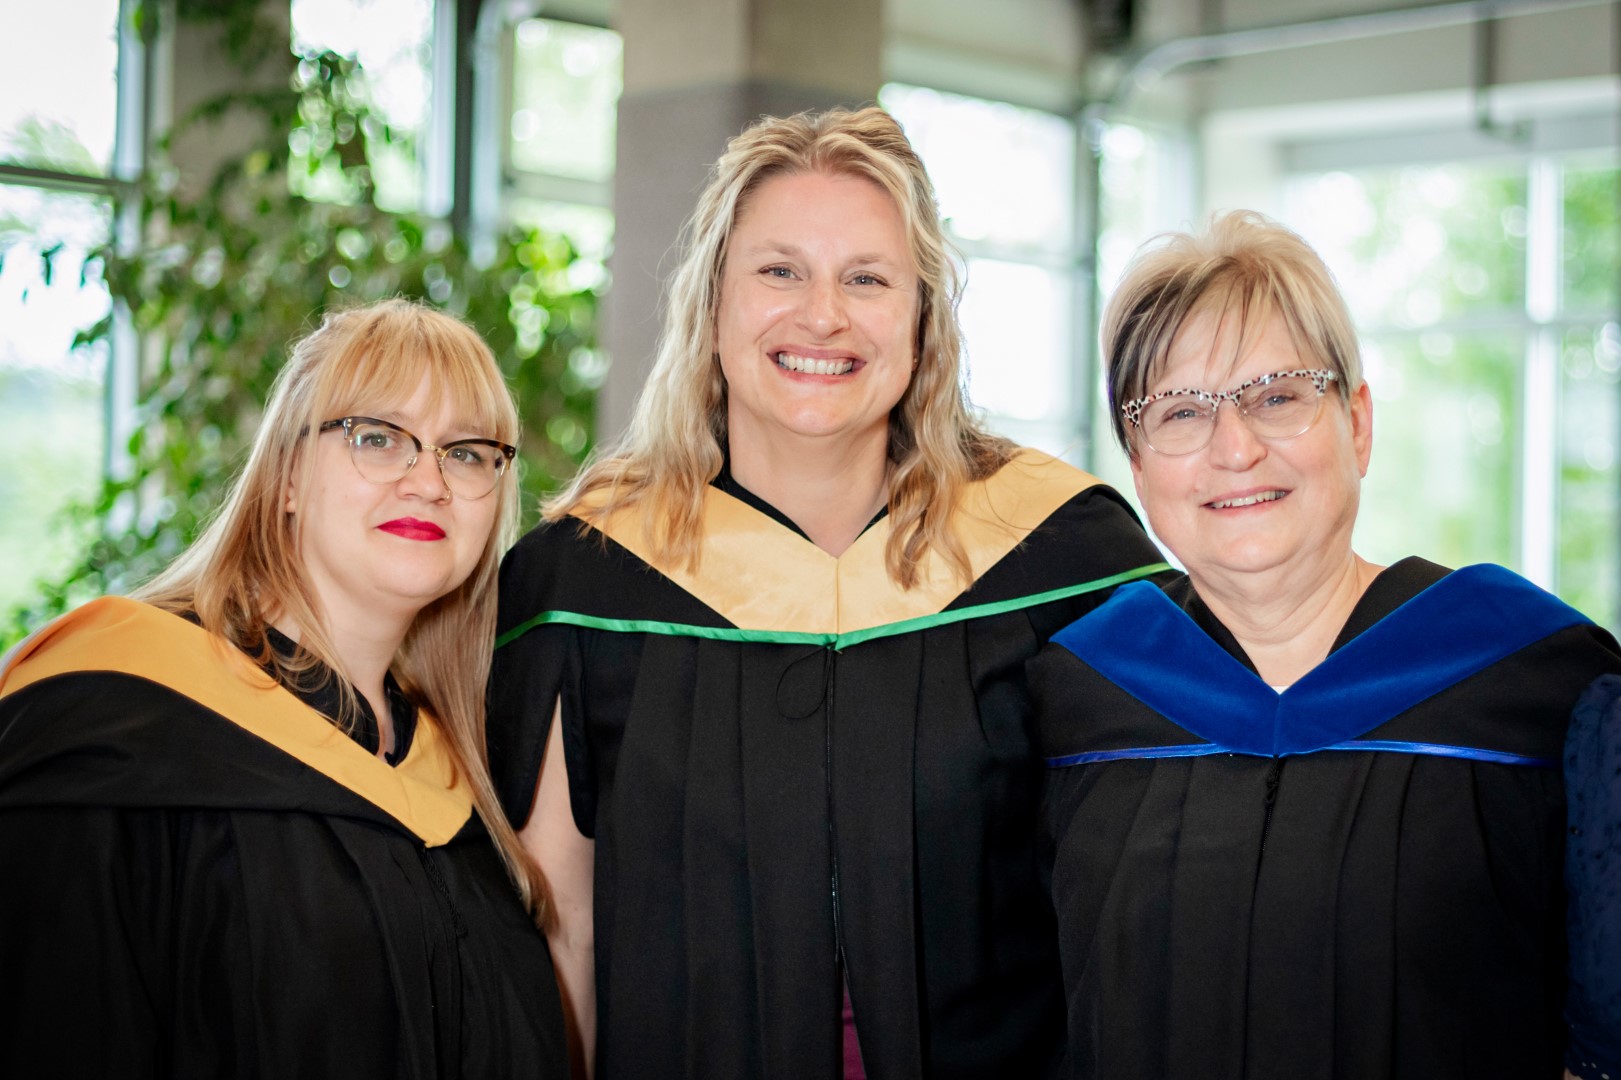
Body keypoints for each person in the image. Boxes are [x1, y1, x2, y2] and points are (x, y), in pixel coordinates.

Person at [489, 106, 1168, 1079]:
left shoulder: (1061, 558)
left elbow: (1141, 903)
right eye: (779, 271)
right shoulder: (587, 578)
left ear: (923, 318)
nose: (822, 316)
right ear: (711, 304)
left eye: (867, 279)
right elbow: (566, 930)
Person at [1031, 210, 1621, 1078]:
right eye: (1181, 412)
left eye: (1277, 396)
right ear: (1138, 466)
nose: (1234, 448)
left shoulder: (1540, 687)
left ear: (1357, 423)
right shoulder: (1072, 701)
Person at [0, 299, 567, 1077]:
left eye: (466, 452)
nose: (429, 480)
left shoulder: (461, 768)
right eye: (377, 437)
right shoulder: (113, 719)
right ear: (288, 475)